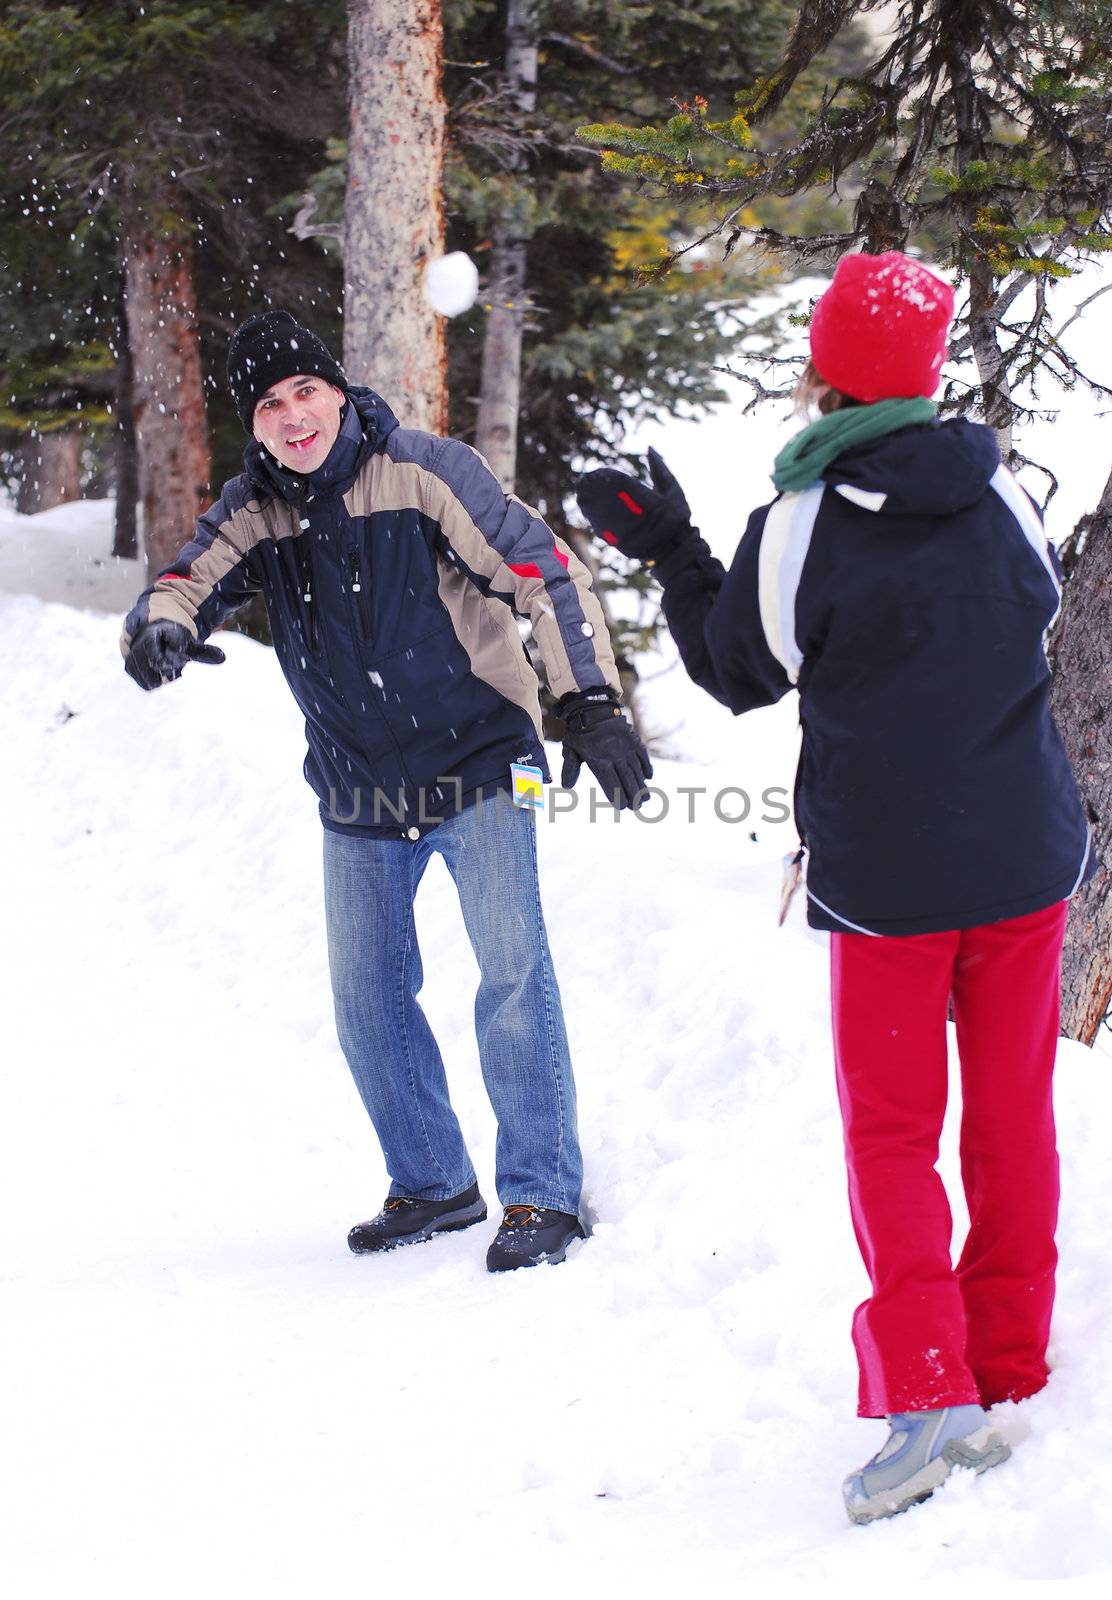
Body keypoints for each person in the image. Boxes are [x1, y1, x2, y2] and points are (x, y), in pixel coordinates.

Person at [575, 251, 1093, 1520]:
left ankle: (930, 1398)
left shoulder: (800, 521)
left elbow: (735, 669)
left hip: (893, 882)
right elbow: (1022, 619)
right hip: (1024, 854)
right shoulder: (1001, 489)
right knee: (1010, 1114)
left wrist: (672, 548)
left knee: (892, 1135)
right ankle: (1005, 1361)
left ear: (822, 370)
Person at [121, 309, 651, 1272]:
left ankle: (542, 1193)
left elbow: (540, 569)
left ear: (336, 390)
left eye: (306, 392)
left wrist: (588, 702)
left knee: (513, 978)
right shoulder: (255, 509)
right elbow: (182, 580)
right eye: (270, 404)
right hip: (358, 787)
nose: (292, 418)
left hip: (479, 758)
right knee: (366, 1000)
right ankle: (435, 1181)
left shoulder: (421, 470)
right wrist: (155, 628)